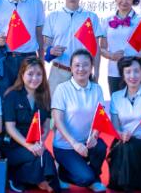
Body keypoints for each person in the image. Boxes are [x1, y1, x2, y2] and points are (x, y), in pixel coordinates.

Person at [52, 50, 107, 192]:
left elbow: (100, 117)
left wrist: (94, 136)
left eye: (85, 65)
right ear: (71, 68)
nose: (81, 69)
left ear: (91, 67)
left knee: (100, 147)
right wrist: (74, 143)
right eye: (77, 65)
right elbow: (58, 121)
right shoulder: (62, 89)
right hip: (66, 146)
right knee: (85, 177)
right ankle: (62, 173)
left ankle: (94, 179)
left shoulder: (97, 89)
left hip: (86, 144)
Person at [3, 57, 61, 192]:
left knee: (41, 155)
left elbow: (46, 125)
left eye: (39, 74)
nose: (34, 78)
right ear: (22, 74)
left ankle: (22, 177)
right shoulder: (12, 96)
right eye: (30, 74)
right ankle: (38, 180)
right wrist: (29, 145)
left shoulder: (44, 96)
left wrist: (41, 141)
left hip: (35, 143)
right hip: (14, 145)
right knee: (43, 156)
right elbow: (10, 128)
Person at [108, 56, 141, 192]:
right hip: (123, 140)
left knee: (131, 146)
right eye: (128, 72)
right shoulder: (116, 97)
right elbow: (115, 126)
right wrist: (121, 134)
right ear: (123, 75)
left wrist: (135, 138)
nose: (132, 76)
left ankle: (125, 185)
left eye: (137, 71)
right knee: (127, 147)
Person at [43, 0, 102, 93]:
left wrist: (96, 73)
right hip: (59, 71)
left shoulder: (91, 17)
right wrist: (51, 50)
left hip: (82, 73)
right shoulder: (53, 16)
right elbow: (45, 45)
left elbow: (96, 48)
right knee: (54, 104)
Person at [99, 0, 141, 94]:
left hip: (135, 72)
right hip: (114, 72)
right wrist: (112, 55)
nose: (124, 1)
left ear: (133, 0)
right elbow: (102, 48)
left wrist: (132, 61)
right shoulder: (107, 21)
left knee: (137, 102)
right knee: (116, 102)